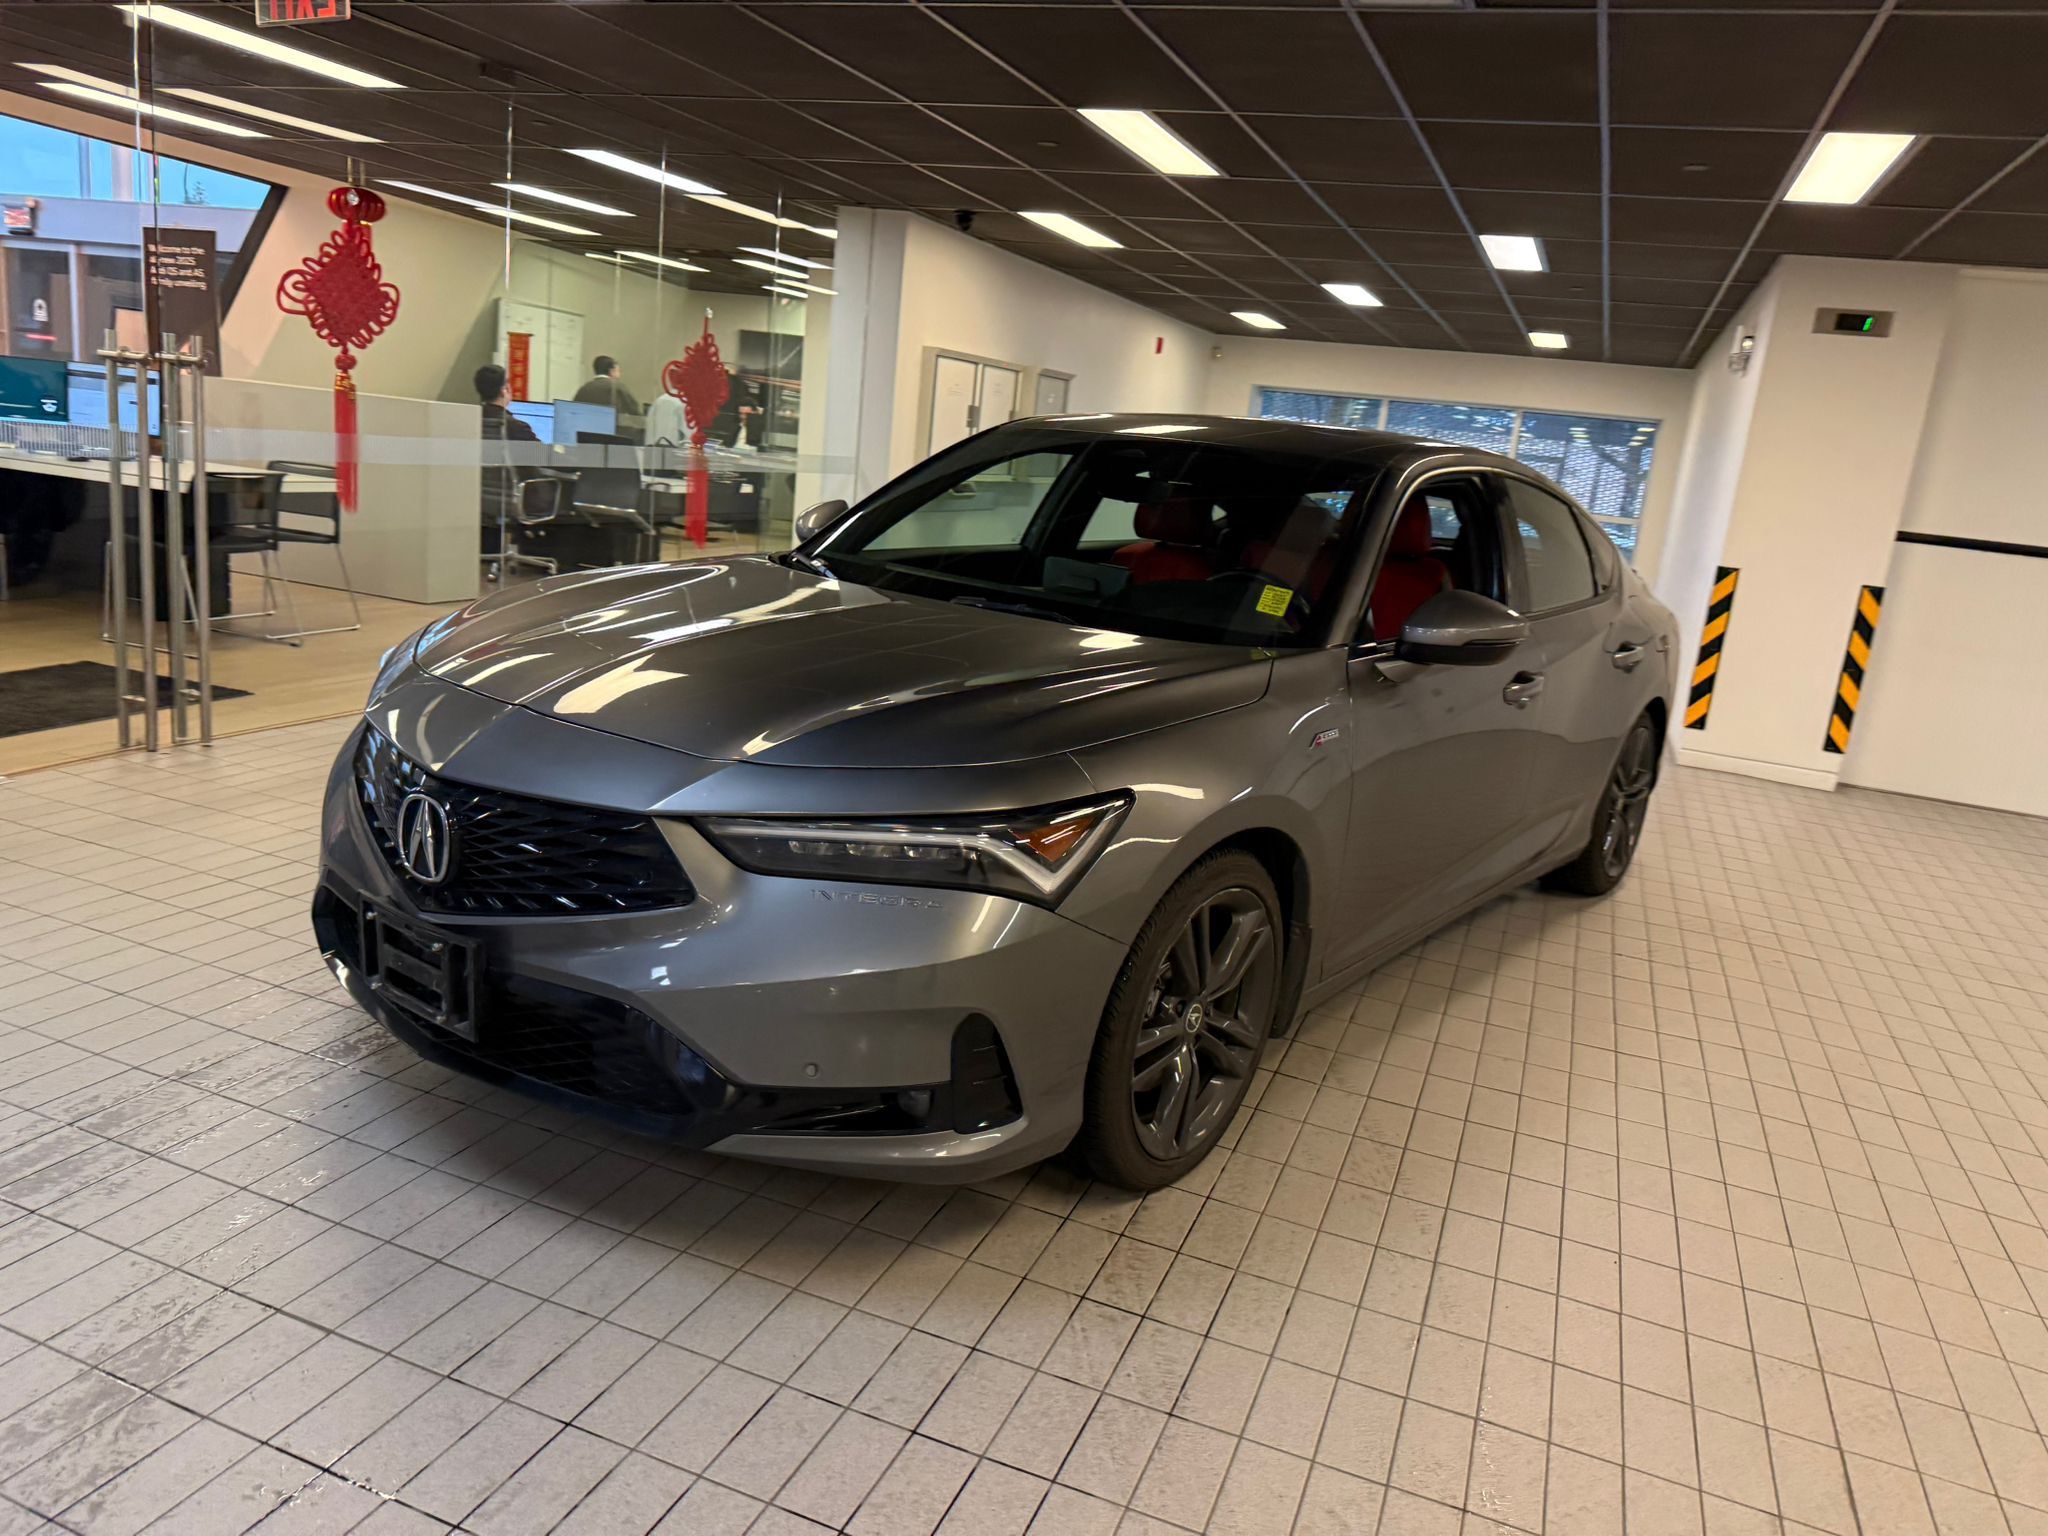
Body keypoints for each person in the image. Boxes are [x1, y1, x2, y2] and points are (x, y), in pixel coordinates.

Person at [573, 354, 643, 420]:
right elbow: (636, 414)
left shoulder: (584, 389)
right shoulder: (618, 387)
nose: (619, 375)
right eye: (618, 371)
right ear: (612, 371)